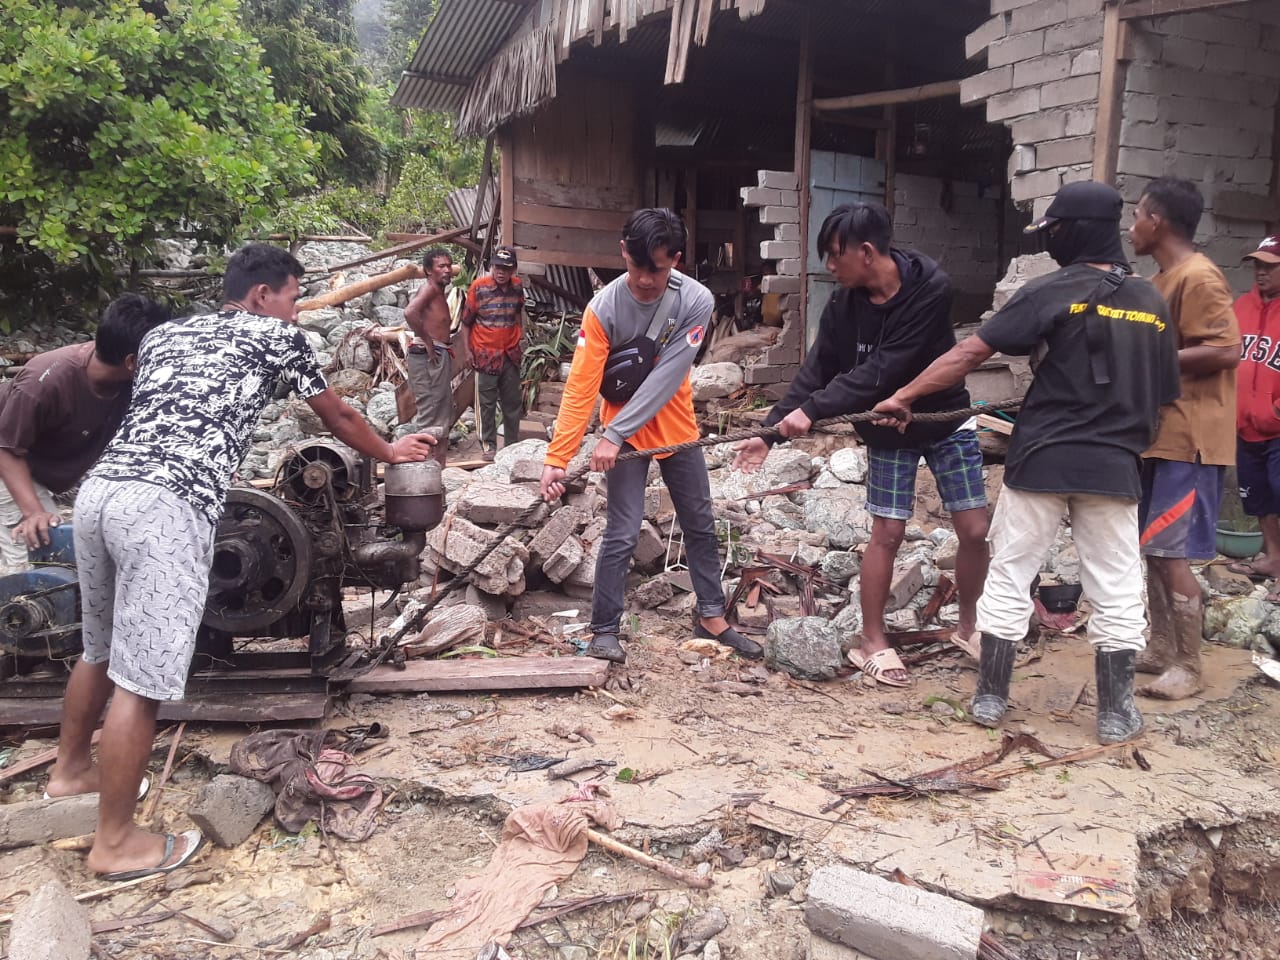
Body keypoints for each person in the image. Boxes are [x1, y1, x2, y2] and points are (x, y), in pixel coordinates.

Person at [45, 243, 437, 880]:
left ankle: (69, 772)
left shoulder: (166, 335)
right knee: (141, 684)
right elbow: (337, 414)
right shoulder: (276, 337)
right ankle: (115, 843)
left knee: (99, 649)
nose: (296, 311)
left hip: (100, 494)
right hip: (165, 506)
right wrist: (391, 452)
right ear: (262, 295)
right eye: (293, 297)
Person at [872, 181, 1179, 745]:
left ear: (1074, 231)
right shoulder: (1152, 303)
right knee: (1115, 583)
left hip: (1042, 458)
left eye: (1053, 231)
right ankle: (1115, 713)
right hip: (1114, 466)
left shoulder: (1049, 290)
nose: (1049, 240)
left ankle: (991, 697)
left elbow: (970, 353)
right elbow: (1162, 395)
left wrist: (904, 396)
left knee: (1011, 572)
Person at [732, 202, 989, 687]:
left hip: (944, 417)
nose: (829, 266)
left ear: (867, 252)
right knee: (887, 532)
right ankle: (872, 639)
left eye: (835, 255)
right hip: (886, 428)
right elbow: (816, 371)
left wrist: (813, 411)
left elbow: (886, 367)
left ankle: (970, 625)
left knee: (975, 528)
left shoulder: (931, 288)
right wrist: (768, 432)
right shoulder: (844, 305)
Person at [539, 208, 760, 664]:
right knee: (622, 532)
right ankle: (604, 629)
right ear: (623, 251)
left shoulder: (696, 300)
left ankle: (712, 616)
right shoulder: (603, 308)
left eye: (656, 269)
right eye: (636, 266)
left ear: (675, 259)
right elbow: (581, 386)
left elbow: (667, 378)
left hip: (675, 426)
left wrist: (613, 434)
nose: (644, 279)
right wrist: (557, 459)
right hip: (624, 438)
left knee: (699, 522)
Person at [1128, 178, 1240, 700]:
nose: (1132, 227)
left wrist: (1148, 361)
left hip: (1190, 439)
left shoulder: (1199, 276)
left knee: (1170, 552)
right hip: (1162, 436)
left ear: (1158, 222)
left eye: (1137, 215)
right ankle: (1160, 646)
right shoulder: (1162, 279)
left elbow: (1225, 350)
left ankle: (1189, 666)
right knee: (1153, 548)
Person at [0, 294, 169, 572]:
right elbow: (6, 449)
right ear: (132, 361)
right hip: (9, 460)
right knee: (39, 559)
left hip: (42, 464)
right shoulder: (44, 382)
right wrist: (33, 512)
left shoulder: (133, 382)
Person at [1233, 235, 1280, 594]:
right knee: (1259, 498)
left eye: (1270, 266)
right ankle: (1274, 558)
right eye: (1257, 265)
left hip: (1277, 427)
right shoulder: (1241, 308)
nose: (1261, 272)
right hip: (1245, 426)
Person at [461, 245, 525, 460]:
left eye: (506, 268)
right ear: (492, 267)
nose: (501, 272)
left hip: (510, 354)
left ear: (513, 269)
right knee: (486, 404)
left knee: (512, 402)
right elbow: (465, 322)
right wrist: (467, 351)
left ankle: (511, 445)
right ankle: (488, 445)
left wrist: (520, 335)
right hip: (485, 354)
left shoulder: (517, 287)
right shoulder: (479, 288)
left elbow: (518, 313)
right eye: (497, 267)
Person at [403, 246, 456, 468]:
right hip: (428, 356)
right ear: (428, 271)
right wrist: (427, 341)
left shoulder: (438, 292)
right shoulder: (430, 289)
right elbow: (409, 312)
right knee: (430, 412)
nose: (447, 270)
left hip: (438, 353)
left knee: (442, 409)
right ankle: (423, 468)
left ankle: (438, 466)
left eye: (449, 266)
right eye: (441, 266)